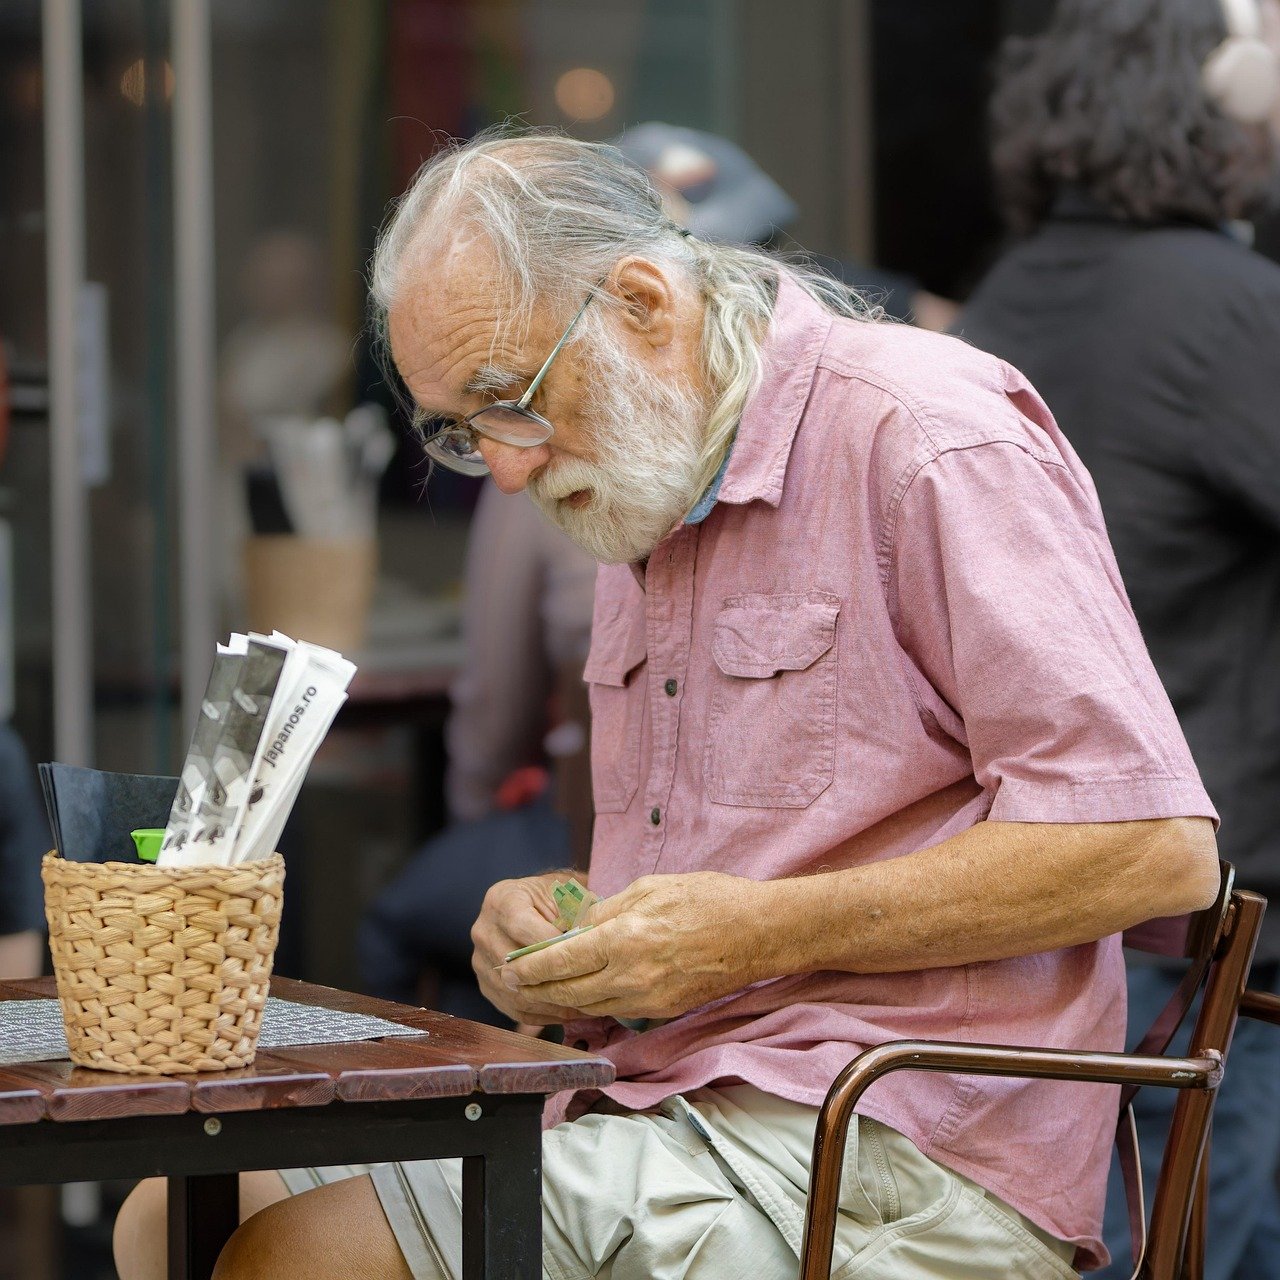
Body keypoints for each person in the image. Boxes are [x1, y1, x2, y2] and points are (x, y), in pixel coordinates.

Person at [115, 128, 1222, 1280]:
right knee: (173, 1211)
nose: (499, 466)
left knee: (304, 1252)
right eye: (456, 425)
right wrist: (554, 922)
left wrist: (748, 932)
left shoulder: (921, 432)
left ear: (642, 302)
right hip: (663, 1099)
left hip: (894, 1147)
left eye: (508, 398)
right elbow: (723, 869)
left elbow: (1153, 849)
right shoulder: (643, 477)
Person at [955, 1, 1280, 1274]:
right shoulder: (1230, 309)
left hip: (1036, 871)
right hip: (1194, 876)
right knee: (1194, 1225)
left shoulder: (1002, 295)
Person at [358, 483, 596, 1021]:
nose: (504, 464)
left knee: (406, 921)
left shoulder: (536, 462)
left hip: (590, 822)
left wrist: (477, 813)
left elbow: (497, 711)